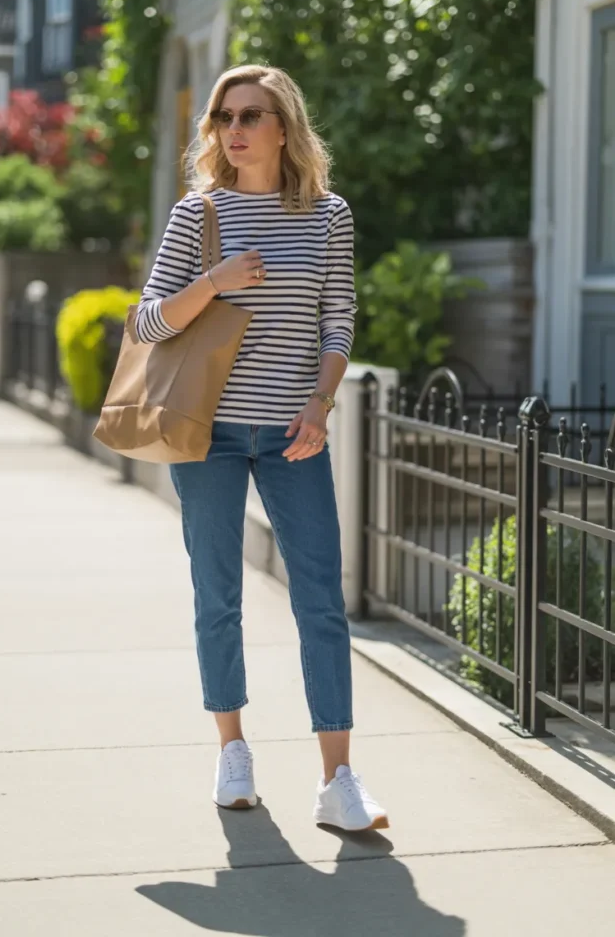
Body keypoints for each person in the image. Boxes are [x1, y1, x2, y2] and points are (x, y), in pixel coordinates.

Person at [136, 64, 387, 832]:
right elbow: (146, 324)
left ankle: (338, 779)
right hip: (203, 434)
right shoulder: (196, 214)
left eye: (249, 115)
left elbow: (337, 322)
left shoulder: (326, 215)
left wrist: (319, 402)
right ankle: (232, 751)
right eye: (221, 117)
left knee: (320, 600)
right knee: (219, 597)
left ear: (284, 126)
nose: (232, 130)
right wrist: (212, 280)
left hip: (293, 434)